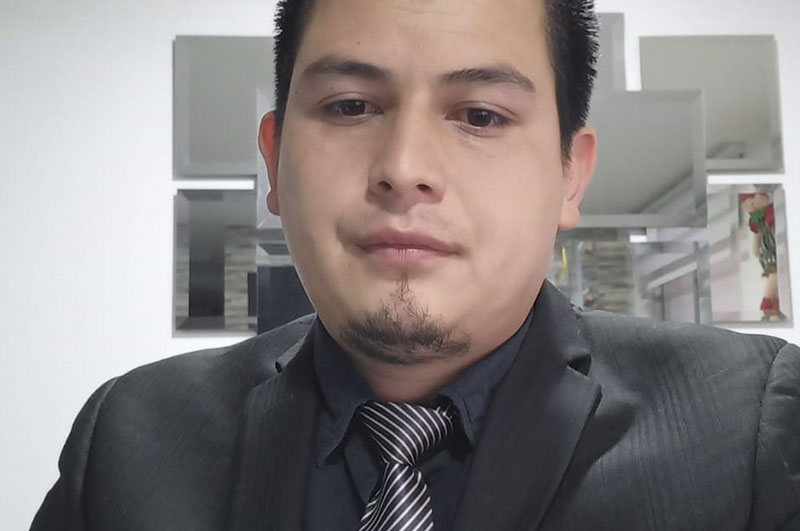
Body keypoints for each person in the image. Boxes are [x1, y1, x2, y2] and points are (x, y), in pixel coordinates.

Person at [32, 0, 800, 529]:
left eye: (480, 115)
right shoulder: (131, 439)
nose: (403, 170)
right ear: (274, 158)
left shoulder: (750, 430)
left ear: (571, 174)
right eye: (349, 106)